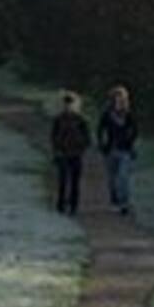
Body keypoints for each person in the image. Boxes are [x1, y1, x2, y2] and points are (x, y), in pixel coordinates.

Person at [96, 85, 139, 215]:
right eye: (116, 97)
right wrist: (102, 144)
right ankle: (114, 201)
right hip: (110, 149)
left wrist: (129, 141)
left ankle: (124, 203)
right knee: (112, 178)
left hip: (125, 150)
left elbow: (135, 130)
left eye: (121, 98)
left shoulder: (129, 114)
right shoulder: (107, 114)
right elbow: (100, 129)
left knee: (123, 177)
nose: (119, 100)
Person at [50, 92, 91, 215]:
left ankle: (74, 205)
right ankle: (61, 205)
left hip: (76, 154)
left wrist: (81, 147)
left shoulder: (81, 120)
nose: (68, 106)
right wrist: (56, 149)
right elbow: (53, 136)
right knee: (62, 181)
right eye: (66, 104)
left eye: (71, 104)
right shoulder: (58, 119)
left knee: (75, 182)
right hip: (62, 153)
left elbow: (87, 138)